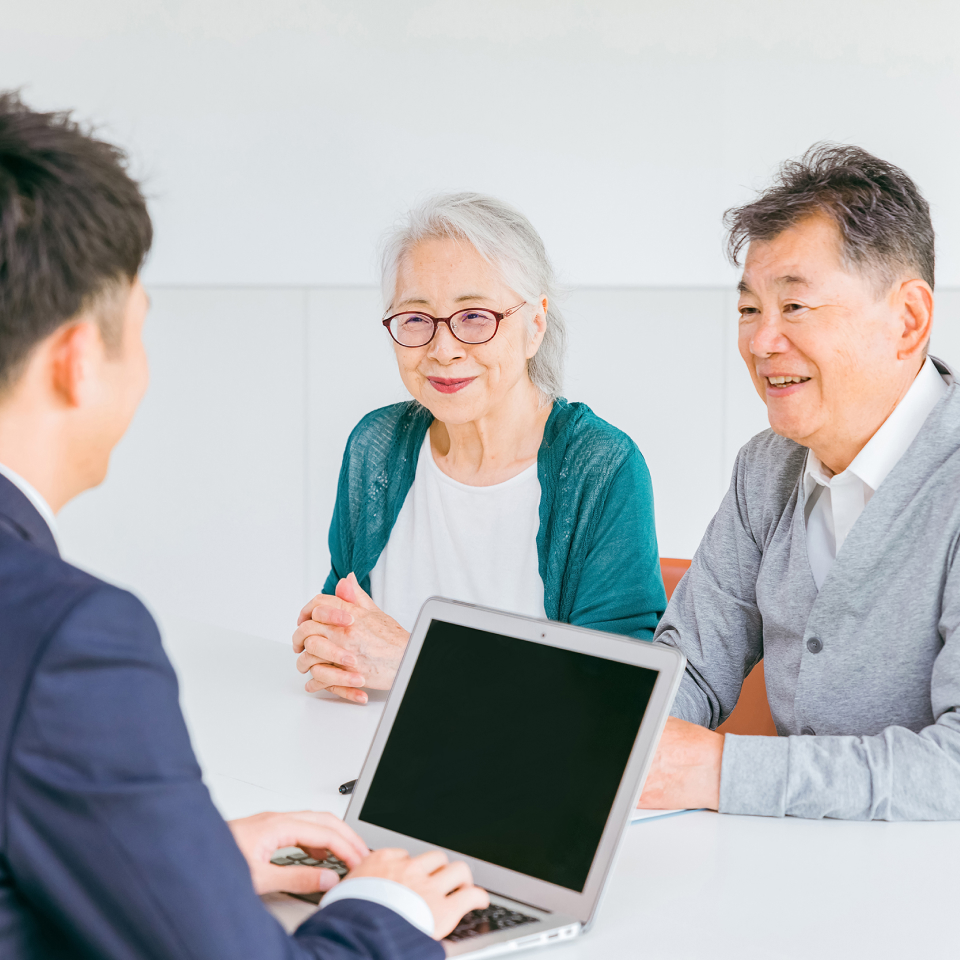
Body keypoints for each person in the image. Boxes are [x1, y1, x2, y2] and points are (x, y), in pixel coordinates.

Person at [0, 92, 487, 958]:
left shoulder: (596, 457)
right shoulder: (70, 639)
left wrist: (185, 859)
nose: (444, 346)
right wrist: (389, 908)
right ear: (78, 361)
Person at [639, 143, 960, 821]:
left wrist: (718, 771)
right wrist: (616, 741)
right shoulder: (767, 467)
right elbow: (690, 667)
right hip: (787, 873)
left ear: (908, 321)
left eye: (795, 307)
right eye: (749, 310)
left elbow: (953, 771)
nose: (760, 343)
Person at [293, 193, 666, 703]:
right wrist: (327, 641)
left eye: (475, 317)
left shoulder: (599, 468)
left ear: (534, 326)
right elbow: (344, 626)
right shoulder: (374, 448)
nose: (442, 350)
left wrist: (417, 662)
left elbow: (614, 698)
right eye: (416, 319)